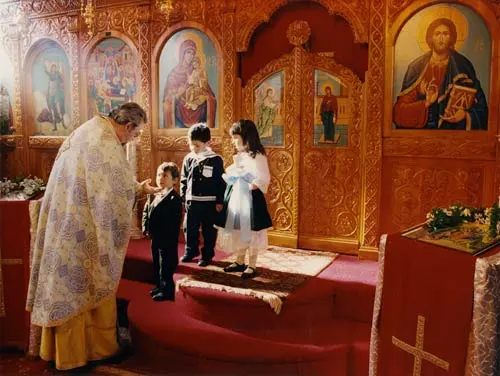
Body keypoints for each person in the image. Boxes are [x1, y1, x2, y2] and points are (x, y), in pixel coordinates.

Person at [26, 102, 159, 371]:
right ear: (128, 126)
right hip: (81, 231)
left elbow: (103, 183)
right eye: (134, 135)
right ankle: (93, 350)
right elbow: (111, 195)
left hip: (62, 224)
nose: (131, 140)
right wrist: (138, 191)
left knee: (65, 287)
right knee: (86, 282)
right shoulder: (106, 144)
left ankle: (60, 351)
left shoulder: (86, 130)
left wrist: (133, 187)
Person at [393, 17, 488, 130]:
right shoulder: (416, 67)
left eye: (445, 34)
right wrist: (426, 103)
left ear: (451, 38)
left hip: (454, 134)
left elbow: (482, 109)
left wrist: (466, 115)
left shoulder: (463, 66)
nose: (441, 38)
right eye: (437, 34)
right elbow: (399, 112)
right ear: (430, 38)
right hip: (422, 135)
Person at [216, 119, 273, 279]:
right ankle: (239, 260)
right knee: (238, 229)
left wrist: (248, 182)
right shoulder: (240, 156)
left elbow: (262, 177)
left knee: (252, 230)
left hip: (251, 198)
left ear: (246, 137)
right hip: (237, 197)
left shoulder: (258, 155)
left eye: (236, 138)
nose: (233, 141)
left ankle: (252, 264)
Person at [180, 123, 225, 266]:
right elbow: (183, 179)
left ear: (207, 143)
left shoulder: (215, 159)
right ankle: (191, 250)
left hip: (209, 203)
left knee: (208, 230)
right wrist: (183, 198)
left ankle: (207, 255)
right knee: (189, 228)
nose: (194, 148)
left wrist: (219, 201)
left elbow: (220, 182)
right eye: (191, 144)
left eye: (197, 145)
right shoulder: (189, 159)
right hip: (192, 201)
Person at [142, 162, 182, 302]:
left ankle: (167, 291)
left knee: (166, 264)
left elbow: (173, 222)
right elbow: (146, 212)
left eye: (165, 176)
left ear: (175, 180)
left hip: (167, 239)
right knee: (157, 262)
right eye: (159, 175)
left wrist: (165, 235)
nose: (161, 178)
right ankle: (159, 286)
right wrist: (145, 228)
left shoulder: (175, 199)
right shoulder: (153, 195)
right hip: (155, 237)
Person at [162, 39, 216, 128]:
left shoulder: (197, 71)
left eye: (193, 53)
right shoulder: (174, 74)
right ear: (182, 54)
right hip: (180, 112)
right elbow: (167, 98)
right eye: (188, 52)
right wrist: (179, 92)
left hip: (197, 108)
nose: (190, 56)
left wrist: (200, 87)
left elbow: (208, 91)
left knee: (209, 100)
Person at [44, 62, 66, 131]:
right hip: (51, 94)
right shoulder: (50, 75)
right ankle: (54, 126)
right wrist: (44, 67)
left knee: (59, 110)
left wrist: (60, 73)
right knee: (52, 110)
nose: (53, 69)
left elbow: (62, 81)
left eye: (54, 67)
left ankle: (63, 123)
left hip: (56, 93)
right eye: (52, 68)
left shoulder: (57, 74)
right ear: (51, 69)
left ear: (55, 68)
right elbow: (47, 73)